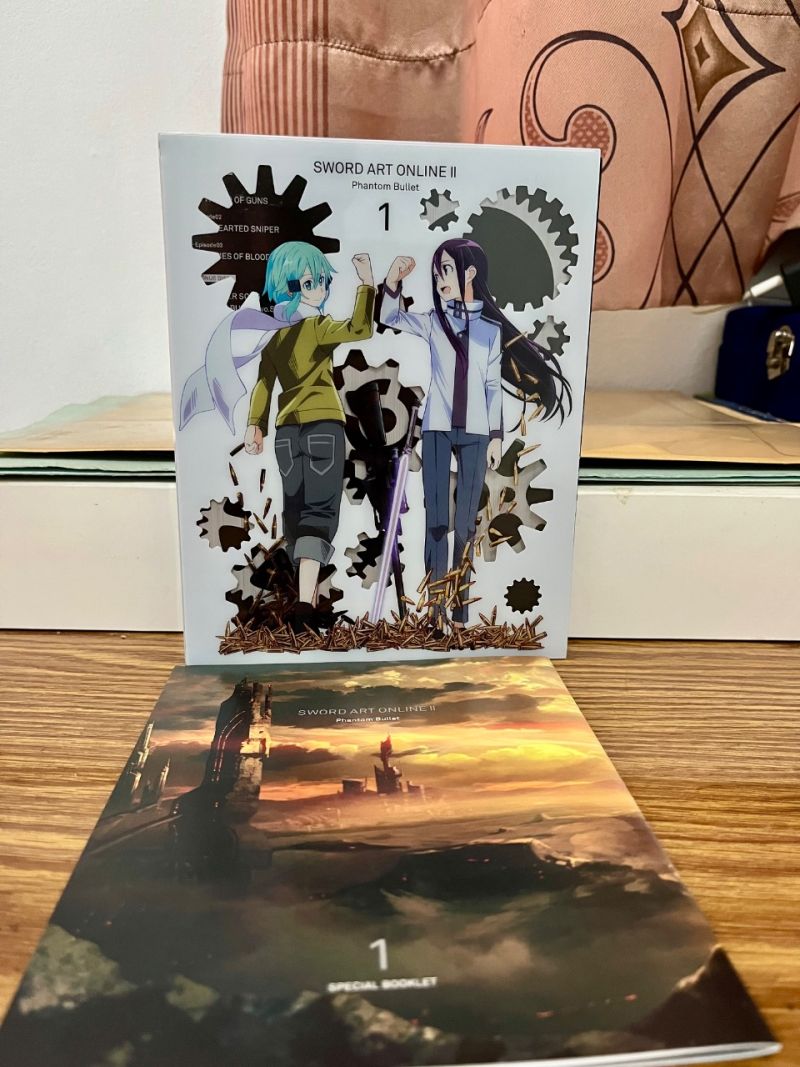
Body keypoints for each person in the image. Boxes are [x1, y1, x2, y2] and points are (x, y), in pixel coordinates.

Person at [380, 237, 569, 627]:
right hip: (437, 429)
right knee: (436, 522)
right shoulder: (433, 322)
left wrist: (497, 436)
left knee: (466, 525)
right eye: (436, 273)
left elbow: (492, 386)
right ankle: (435, 611)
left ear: (469, 273)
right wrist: (393, 281)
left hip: (477, 434)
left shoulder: (489, 331)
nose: (439, 280)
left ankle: (460, 610)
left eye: (446, 270)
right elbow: (390, 317)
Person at [243, 240, 375, 629]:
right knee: (319, 516)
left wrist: (255, 425)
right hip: (322, 427)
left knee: (296, 514)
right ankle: (303, 605)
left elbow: (264, 383)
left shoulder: (274, 338)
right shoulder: (316, 326)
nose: (321, 288)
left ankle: (307, 599)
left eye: (322, 281)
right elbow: (360, 328)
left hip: (287, 434)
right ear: (293, 288)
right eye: (312, 281)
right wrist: (367, 284)